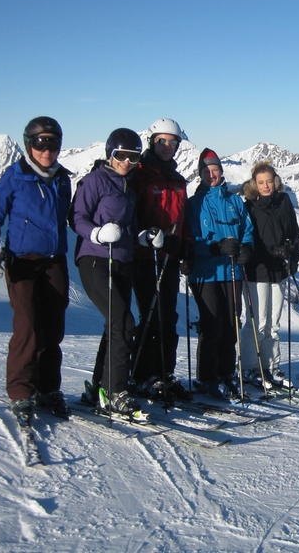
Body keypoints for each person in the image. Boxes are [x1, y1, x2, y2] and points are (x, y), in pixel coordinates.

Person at [0, 116, 73, 421]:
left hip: (54, 260)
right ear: (28, 144)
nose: (47, 151)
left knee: (53, 327)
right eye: (40, 143)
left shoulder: (62, 179)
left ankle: (48, 388)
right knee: (27, 327)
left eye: (53, 144)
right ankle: (21, 391)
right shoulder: (15, 176)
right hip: (22, 261)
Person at [70, 128, 148, 416]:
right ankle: (116, 391)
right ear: (110, 154)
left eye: (133, 157)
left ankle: (100, 387)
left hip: (123, 261)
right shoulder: (95, 180)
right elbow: (76, 217)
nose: (127, 162)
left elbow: (129, 225)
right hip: (96, 260)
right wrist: (97, 233)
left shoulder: (128, 186)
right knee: (124, 322)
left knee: (115, 325)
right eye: (121, 155)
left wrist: (142, 237)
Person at [129, 118, 194, 402]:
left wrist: (186, 245)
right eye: (162, 141)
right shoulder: (139, 175)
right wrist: (146, 237)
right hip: (145, 257)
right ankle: (143, 375)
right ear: (152, 142)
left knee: (169, 318)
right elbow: (130, 215)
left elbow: (183, 219)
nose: (167, 146)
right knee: (151, 316)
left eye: (173, 142)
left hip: (169, 258)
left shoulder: (177, 180)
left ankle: (165, 373)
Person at [187, 148, 255, 400]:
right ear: (200, 174)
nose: (211, 175)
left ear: (221, 171)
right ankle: (207, 377)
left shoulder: (235, 201)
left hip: (232, 271)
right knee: (212, 324)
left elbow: (247, 229)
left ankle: (226, 373)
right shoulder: (194, 204)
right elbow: (191, 238)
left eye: (215, 170)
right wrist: (215, 248)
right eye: (206, 171)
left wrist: (247, 247)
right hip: (205, 273)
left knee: (231, 324)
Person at [240, 161, 299, 389]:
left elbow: (294, 231)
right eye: (261, 182)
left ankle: (271, 366)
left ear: (275, 181)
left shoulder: (283, 201)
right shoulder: (249, 206)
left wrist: (293, 258)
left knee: (273, 325)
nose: (266, 186)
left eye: (269, 181)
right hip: (256, 271)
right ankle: (249, 367)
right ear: (254, 184)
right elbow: (248, 240)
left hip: (279, 271)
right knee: (257, 323)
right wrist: (271, 251)